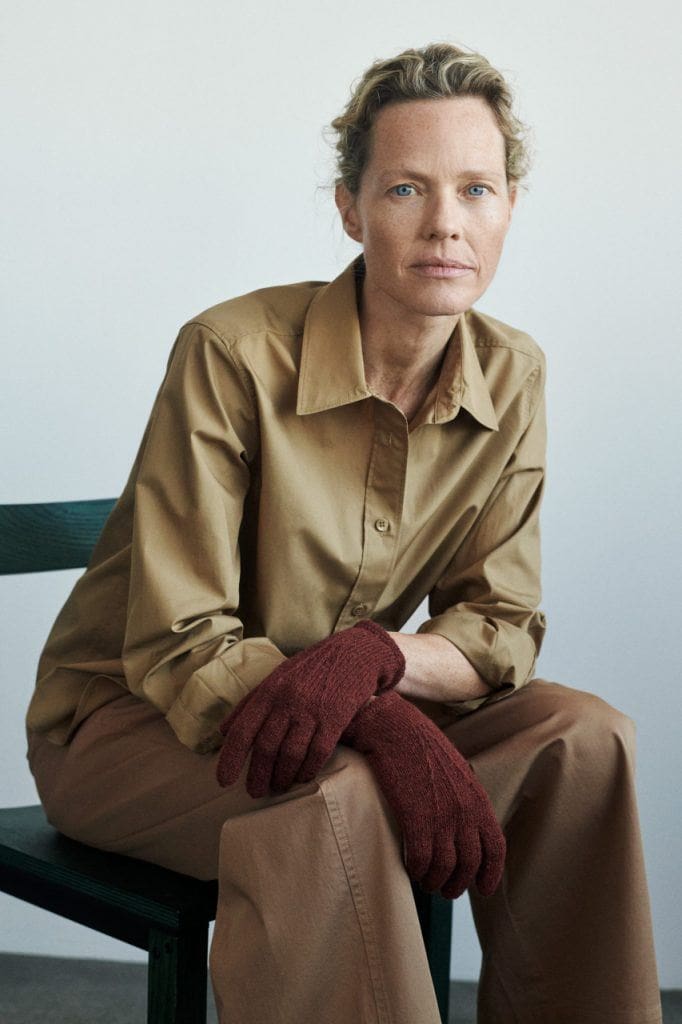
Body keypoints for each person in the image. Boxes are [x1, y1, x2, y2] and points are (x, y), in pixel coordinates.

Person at [25, 42, 662, 1024]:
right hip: (129, 724)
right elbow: (179, 640)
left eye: (477, 189)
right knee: (340, 794)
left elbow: (498, 623)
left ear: (510, 206)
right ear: (350, 208)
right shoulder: (231, 353)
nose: (446, 223)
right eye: (406, 188)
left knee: (584, 740)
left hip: (343, 709)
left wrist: (376, 662)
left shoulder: (514, 374)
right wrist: (374, 717)